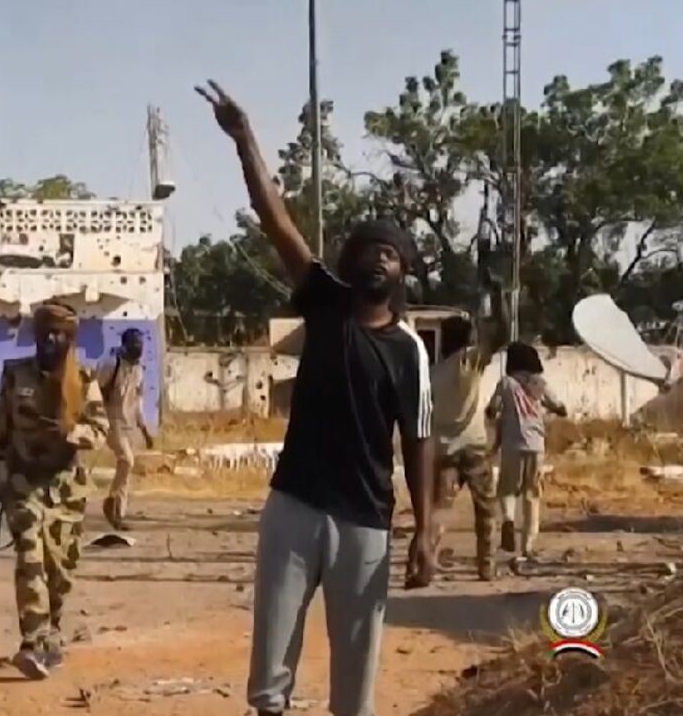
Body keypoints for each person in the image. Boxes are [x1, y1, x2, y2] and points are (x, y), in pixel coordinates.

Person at [197, 80, 435, 716]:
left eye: (390, 254)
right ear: (349, 262)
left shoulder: (409, 350)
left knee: (356, 678)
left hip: (365, 523)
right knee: (269, 673)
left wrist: (426, 530)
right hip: (294, 506)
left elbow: (418, 440)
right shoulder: (325, 301)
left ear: (404, 273)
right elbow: (276, 220)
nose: (377, 260)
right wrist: (245, 140)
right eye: (367, 250)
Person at [0, 301, 110, 679]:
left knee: (60, 568)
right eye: (46, 333)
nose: (52, 339)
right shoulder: (14, 375)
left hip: (66, 488)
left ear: (70, 339)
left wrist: (73, 433)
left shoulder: (84, 382)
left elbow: (100, 430)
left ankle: (51, 631)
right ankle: (33, 637)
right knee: (30, 554)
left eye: (60, 334)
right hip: (23, 481)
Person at [430, 304, 506, 581]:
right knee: (486, 511)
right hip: (474, 450)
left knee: (439, 510)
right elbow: (503, 335)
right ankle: (486, 566)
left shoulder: (433, 373)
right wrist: (500, 298)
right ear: (468, 338)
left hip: (444, 451)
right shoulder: (469, 361)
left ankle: (428, 561)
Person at [487, 342, 566, 570]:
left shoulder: (506, 383)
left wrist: (498, 415)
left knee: (507, 489)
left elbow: (492, 409)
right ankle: (527, 548)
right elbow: (561, 407)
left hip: (512, 444)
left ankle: (509, 520)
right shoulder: (539, 384)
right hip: (536, 445)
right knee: (532, 495)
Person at [96, 328, 154, 530]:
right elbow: (95, 392)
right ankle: (111, 503)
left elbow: (138, 401)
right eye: (135, 345)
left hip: (128, 424)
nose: (139, 349)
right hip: (111, 422)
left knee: (126, 468)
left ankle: (118, 514)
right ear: (125, 345)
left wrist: (144, 429)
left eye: (141, 345)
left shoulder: (139, 370)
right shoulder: (112, 364)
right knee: (126, 460)